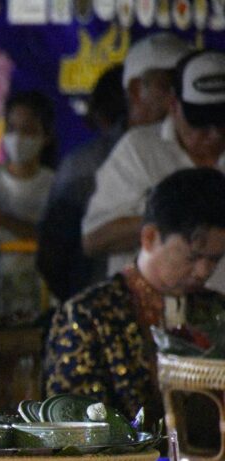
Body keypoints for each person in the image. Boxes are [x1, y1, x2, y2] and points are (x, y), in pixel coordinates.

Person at [46, 167, 225, 421]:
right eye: (193, 257)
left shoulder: (217, 309)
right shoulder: (88, 314)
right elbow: (72, 425)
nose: (203, 272)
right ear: (150, 237)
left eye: (215, 259)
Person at [82, 49, 225, 289]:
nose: (214, 134)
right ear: (174, 105)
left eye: (223, 122)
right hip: (149, 307)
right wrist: (173, 220)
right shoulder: (139, 150)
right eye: (201, 123)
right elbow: (94, 239)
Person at [37, 64, 127, 302]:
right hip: (93, 299)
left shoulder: (81, 163)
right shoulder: (85, 165)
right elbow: (54, 249)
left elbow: (51, 253)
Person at [0, 91, 57, 316]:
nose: (17, 138)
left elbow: (54, 238)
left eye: (28, 130)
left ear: (46, 135)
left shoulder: (55, 185)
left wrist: (0, 218)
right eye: (11, 129)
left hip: (40, 293)